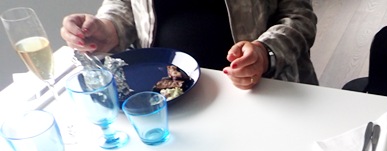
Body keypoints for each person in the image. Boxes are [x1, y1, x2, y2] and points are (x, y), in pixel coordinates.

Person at [60, 0, 318, 90]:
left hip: (261, 87)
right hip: (164, 93)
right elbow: (124, 4)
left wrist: (265, 52)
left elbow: (299, 17)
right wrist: (109, 28)